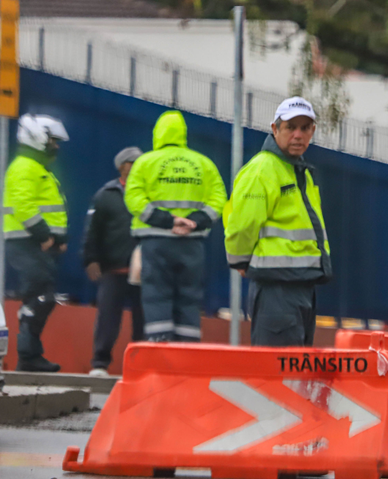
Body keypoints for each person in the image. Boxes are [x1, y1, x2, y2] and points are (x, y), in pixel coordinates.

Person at [224, 97, 332, 346]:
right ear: (275, 129)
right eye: (290, 127)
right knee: (276, 376)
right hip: (277, 290)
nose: (298, 134)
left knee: (295, 376)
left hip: (302, 287)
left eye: (305, 128)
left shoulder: (298, 171)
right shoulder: (263, 169)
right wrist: (240, 260)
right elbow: (241, 225)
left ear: (312, 131)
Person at [124, 111, 227, 342]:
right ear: (184, 134)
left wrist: (167, 221)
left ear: (157, 133)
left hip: (155, 242)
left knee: (157, 297)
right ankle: (187, 353)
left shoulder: (145, 163)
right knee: (189, 299)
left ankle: (160, 353)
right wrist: (195, 221)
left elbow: (133, 199)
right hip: (192, 244)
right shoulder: (204, 164)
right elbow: (219, 199)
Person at [3, 114, 69, 372]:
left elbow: (50, 210)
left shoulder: (37, 168)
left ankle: (30, 356)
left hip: (35, 244)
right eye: (53, 140)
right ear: (38, 138)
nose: (57, 146)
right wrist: (44, 236)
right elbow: (24, 206)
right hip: (27, 243)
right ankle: (28, 356)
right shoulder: (24, 167)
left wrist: (58, 240)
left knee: (41, 296)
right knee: (41, 297)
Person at [83, 147, 145, 376]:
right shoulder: (105, 195)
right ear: (121, 167)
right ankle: (99, 363)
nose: (137, 165)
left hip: (142, 271)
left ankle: (141, 366)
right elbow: (93, 231)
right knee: (108, 318)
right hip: (113, 268)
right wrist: (91, 259)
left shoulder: (150, 193)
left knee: (143, 321)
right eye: (132, 162)